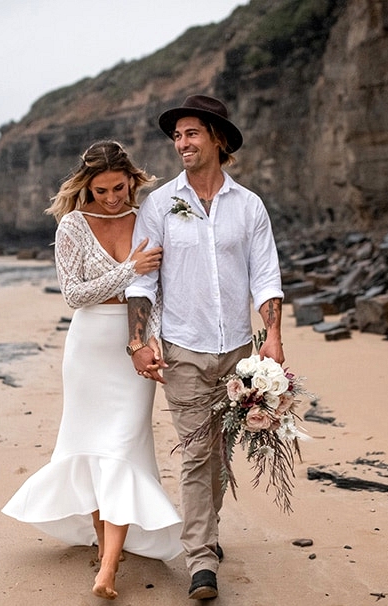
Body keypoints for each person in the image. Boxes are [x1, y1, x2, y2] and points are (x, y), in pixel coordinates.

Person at [1, 140, 183, 600]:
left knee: (121, 449)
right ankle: (107, 553)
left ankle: (106, 569)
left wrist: (148, 338)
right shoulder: (73, 227)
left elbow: (155, 287)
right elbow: (74, 294)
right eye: (101, 190)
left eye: (119, 188)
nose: (112, 198)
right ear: (87, 186)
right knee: (93, 449)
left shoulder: (148, 218)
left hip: (133, 344)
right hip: (88, 349)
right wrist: (127, 269)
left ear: (132, 179)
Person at [125, 95, 285, 600]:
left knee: (221, 452)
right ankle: (201, 559)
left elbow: (265, 275)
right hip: (183, 348)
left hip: (239, 351)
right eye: (177, 136)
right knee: (196, 453)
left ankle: (205, 534)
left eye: (191, 133)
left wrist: (274, 337)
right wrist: (138, 340)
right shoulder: (159, 205)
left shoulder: (249, 205)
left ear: (216, 138)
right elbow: (142, 281)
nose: (182, 144)